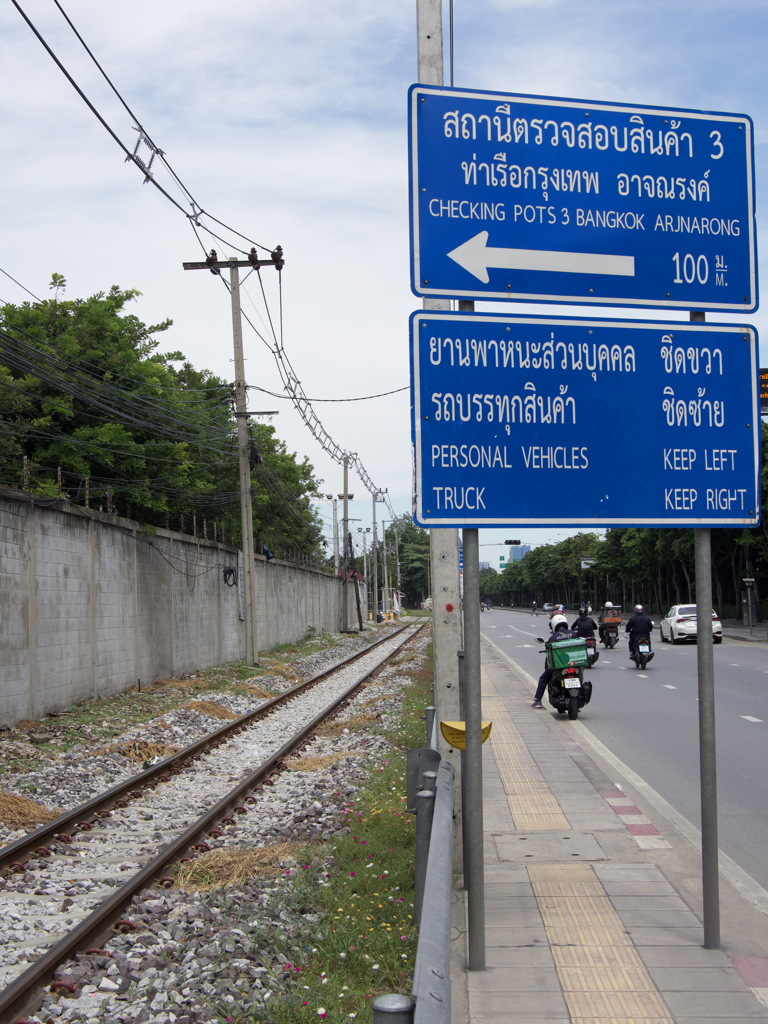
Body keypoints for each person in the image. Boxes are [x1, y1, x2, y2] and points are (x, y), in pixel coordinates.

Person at [532, 614, 579, 709]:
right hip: (574, 665)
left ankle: (538, 701)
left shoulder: (553, 637)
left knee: (544, 679)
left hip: (559, 667)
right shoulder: (574, 634)